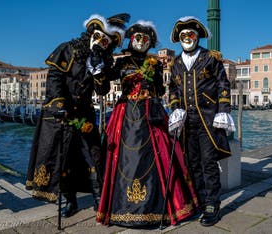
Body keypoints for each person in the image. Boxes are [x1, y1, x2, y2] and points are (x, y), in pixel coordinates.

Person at [25, 13, 130, 217]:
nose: (101, 42)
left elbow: (101, 91)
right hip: (61, 113)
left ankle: (100, 201)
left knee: (93, 156)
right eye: (99, 37)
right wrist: (59, 103)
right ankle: (70, 201)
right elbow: (55, 76)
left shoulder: (101, 62)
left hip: (84, 115)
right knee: (63, 159)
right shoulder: (68, 49)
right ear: (91, 33)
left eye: (105, 41)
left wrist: (99, 69)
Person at [96, 20, 198, 227]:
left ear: (151, 42)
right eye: (137, 38)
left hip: (151, 114)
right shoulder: (122, 63)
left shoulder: (155, 62)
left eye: (146, 39)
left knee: (159, 153)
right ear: (131, 40)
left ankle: (162, 206)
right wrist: (99, 65)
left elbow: (160, 91)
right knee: (124, 159)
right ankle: (122, 208)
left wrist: (152, 82)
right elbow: (103, 86)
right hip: (126, 116)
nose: (141, 42)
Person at [168, 16, 235, 227]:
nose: (187, 38)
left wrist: (223, 110)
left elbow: (223, 85)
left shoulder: (210, 58)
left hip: (207, 120)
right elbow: (173, 90)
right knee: (192, 163)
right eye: (183, 35)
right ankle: (198, 200)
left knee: (208, 163)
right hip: (187, 123)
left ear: (197, 36)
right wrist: (175, 108)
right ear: (179, 39)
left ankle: (212, 204)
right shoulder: (176, 63)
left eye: (191, 34)